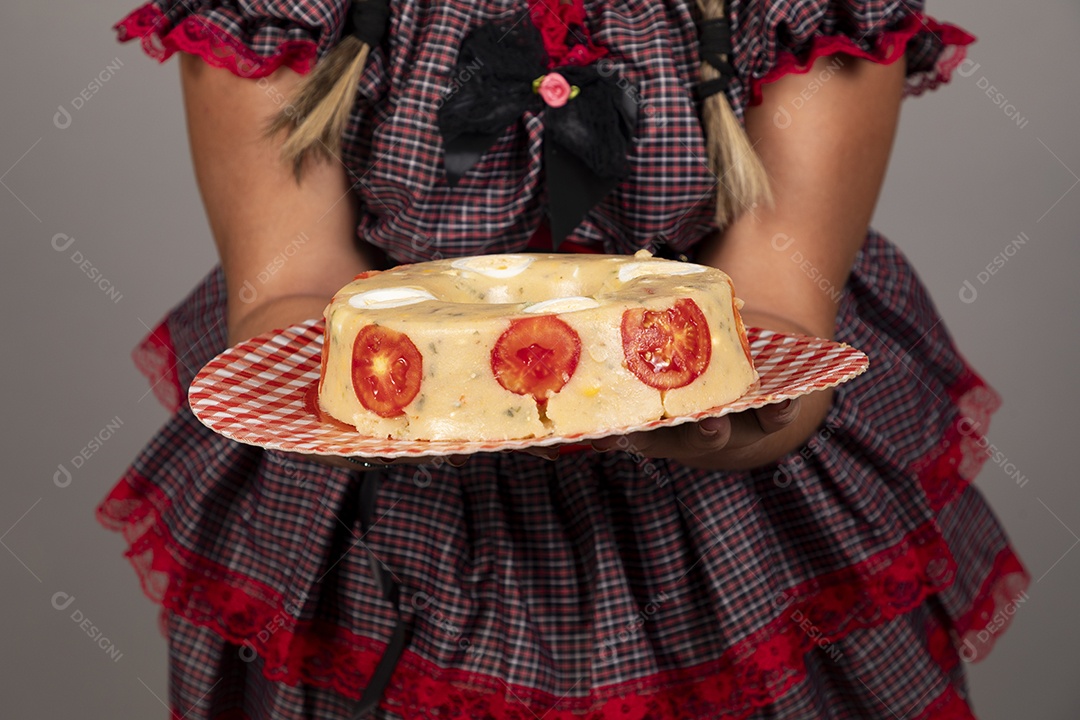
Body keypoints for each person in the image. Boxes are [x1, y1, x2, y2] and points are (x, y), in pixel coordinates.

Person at [99, 0, 1029, 718]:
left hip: (721, 522)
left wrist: (747, 410)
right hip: (386, 513)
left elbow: (777, 301)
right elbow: (293, 284)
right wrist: (407, 402)